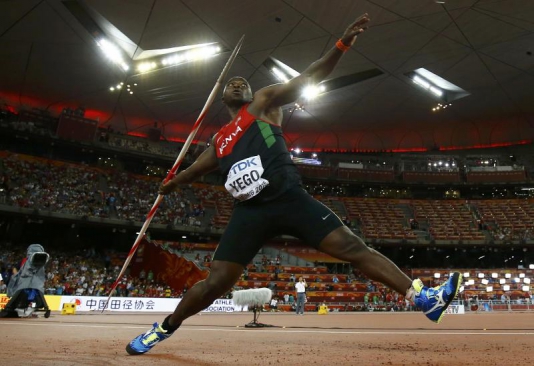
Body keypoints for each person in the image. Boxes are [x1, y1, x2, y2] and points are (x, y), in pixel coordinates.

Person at [126, 13, 462, 355]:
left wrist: (342, 45)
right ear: (222, 97)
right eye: (232, 83)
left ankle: (422, 297)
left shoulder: (264, 103)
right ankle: (164, 328)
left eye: (244, 82)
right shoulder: (219, 140)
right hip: (250, 213)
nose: (239, 84)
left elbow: (311, 75)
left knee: (353, 247)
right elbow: (193, 171)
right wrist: (169, 185)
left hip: (289, 198)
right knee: (215, 283)